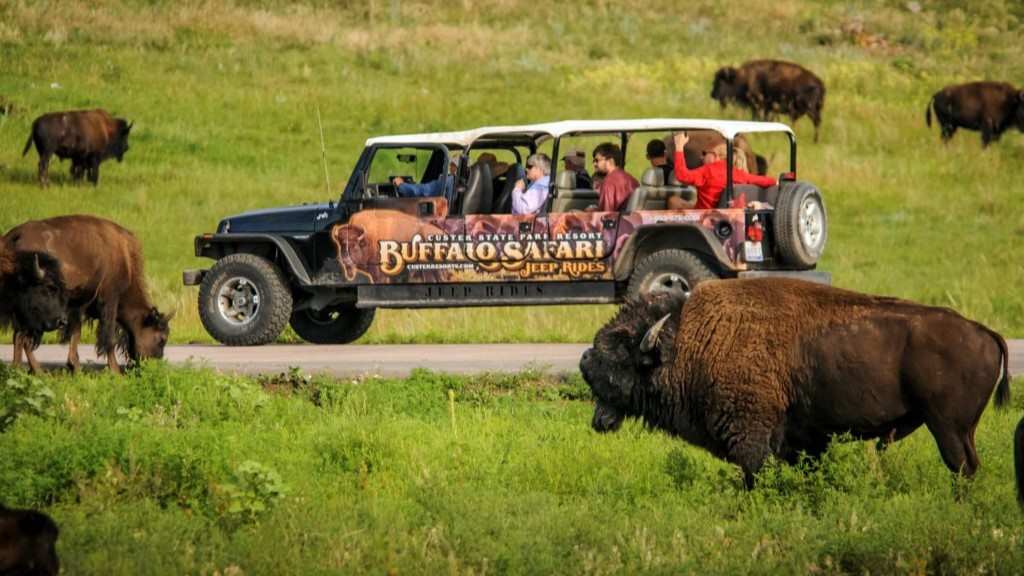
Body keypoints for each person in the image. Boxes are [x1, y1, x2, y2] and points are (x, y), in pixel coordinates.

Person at [669, 132, 776, 210]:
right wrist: (776, 182)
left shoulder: (708, 171)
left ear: (715, 155)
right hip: (720, 215)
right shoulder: (736, 173)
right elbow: (761, 180)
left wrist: (679, 147)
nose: (701, 158)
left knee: (672, 201)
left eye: (704, 153)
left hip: (701, 216)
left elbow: (682, 175)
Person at [587, 142, 637, 212]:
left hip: (616, 221)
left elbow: (605, 215)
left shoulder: (609, 182)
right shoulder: (632, 179)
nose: (594, 164)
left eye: (597, 160)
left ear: (610, 161)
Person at [391, 157, 457, 198]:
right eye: (451, 165)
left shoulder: (449, 181)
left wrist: (401, 185)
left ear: (455, 167)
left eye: (452, 165)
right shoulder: (461, 181)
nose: (450, 167)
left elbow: (423, 191)